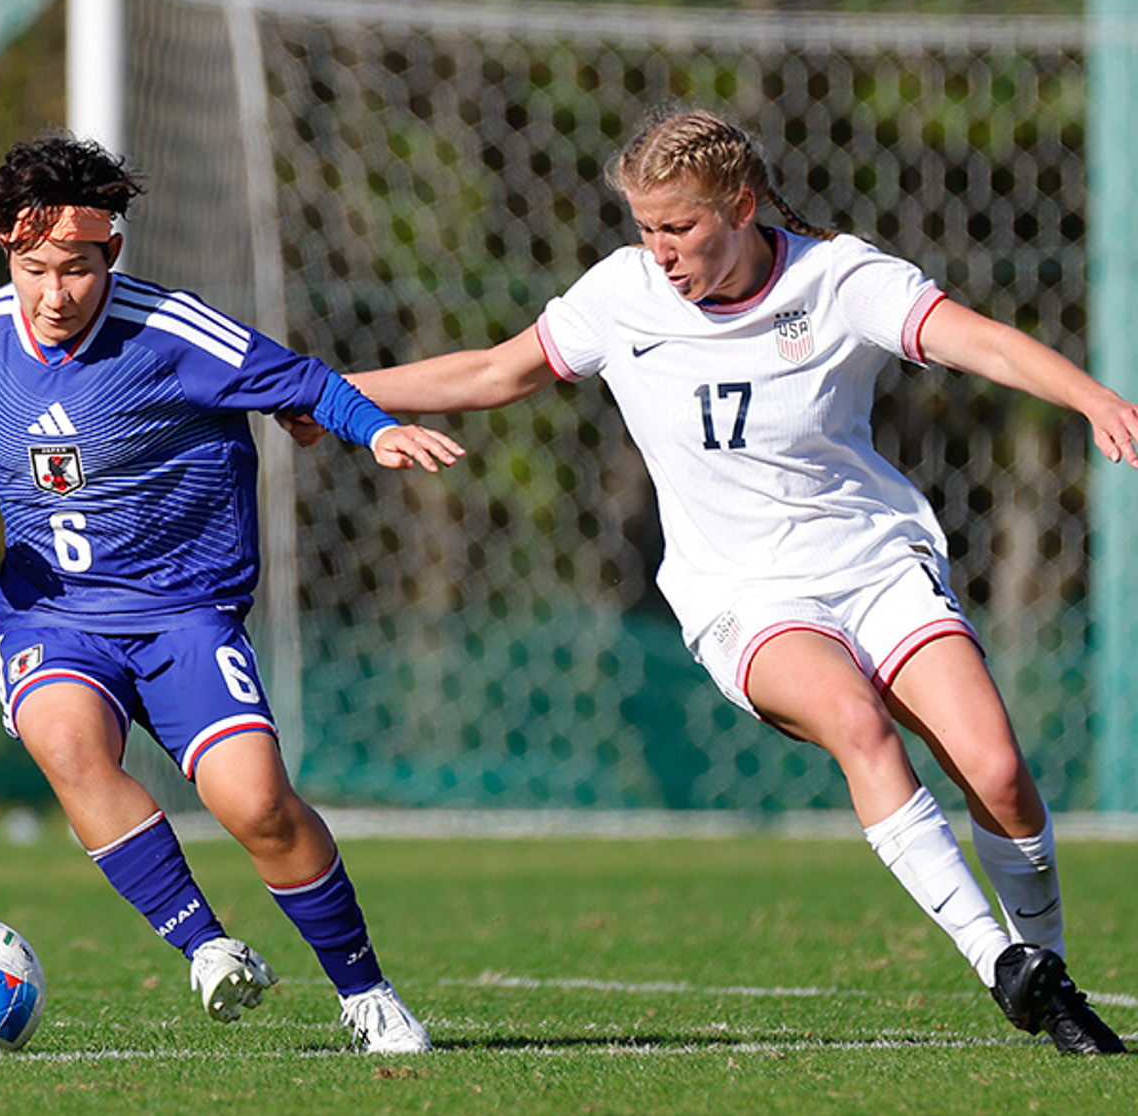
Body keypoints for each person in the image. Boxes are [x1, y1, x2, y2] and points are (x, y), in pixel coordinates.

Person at [329, 106, 1134, 1054]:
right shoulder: (621, 296)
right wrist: (334, 388)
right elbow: (494, 370)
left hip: (873, 562)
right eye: (645, 228)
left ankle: (1051, 981)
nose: (660, 251)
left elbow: (982, 341)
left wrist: (1093, 397)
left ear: (743, 206)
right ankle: (997, 960)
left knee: (997, 770)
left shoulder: (840, 279)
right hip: (742, 592)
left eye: (680, 227)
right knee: (856, 724)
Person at [0, 135, 464, 1053]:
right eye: (35, 268)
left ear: (110, 250)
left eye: (77, 267)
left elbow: (302, 383)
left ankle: (366, 994)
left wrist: (376, 431)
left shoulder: (173, 331)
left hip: (181, 613)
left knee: (259, 805)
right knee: (67, 744)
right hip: (49, 613)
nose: (55, 292)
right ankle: (205, 946)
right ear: (6, 249)